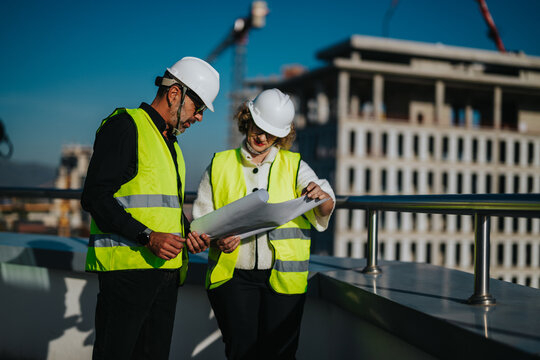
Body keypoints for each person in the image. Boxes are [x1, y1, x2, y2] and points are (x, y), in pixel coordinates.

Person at [81, 56, 219, 360]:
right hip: (128, 273)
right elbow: (95, 197)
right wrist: (147, 236)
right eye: (198, 109)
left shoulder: (170, 142)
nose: (198, 118)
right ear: (174, 95)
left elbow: (163, 207)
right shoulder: (125, 126)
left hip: (165, 274)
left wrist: (189, 233)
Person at [192, 88, 335, 360]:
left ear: (282, 134)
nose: (262, 137)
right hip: (233, 278)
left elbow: (324, 206)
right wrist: (218, 238)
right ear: (248, 119)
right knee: (241, 353)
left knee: (281, 354)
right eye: (258, 128)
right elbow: (202, 222)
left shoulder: (294, 165)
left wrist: (322, 196)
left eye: (271, 133)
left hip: (282, 277)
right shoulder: (219, 165)